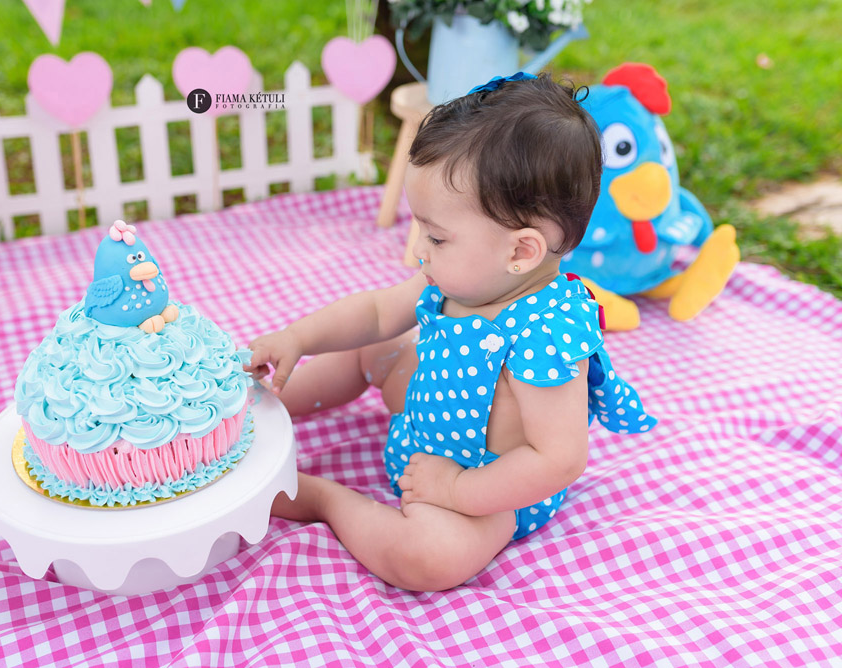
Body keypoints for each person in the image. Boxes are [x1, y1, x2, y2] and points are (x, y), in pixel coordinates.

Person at [246, 72, 657, 591]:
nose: (420, 250)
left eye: (437, 237)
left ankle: (326, 500)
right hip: (421, 426)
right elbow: (376, 313)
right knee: (373, 345)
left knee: (429, 560)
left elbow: (558, 458)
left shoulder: (548, 337)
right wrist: (296, 340)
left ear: (520, 251)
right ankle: (267, 404)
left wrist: (458, 490)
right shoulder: (463, 279)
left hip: (487, 487)